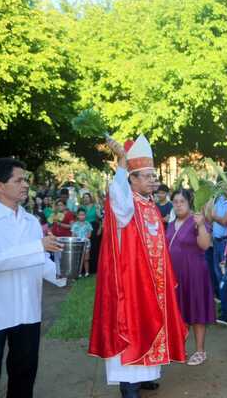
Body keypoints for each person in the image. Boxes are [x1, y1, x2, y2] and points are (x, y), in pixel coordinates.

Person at [88, 135, 188, 398]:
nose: (153, 180)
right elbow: (117, 195)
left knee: (153, 324)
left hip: (155, 282)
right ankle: (127, 383)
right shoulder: (126, 204)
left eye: (154, 176)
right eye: (146, 176)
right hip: (131, 282)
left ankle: (146, 376)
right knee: (133, 326)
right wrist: (121, 162)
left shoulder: (151, 205)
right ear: (131, 179)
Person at [0, 158, 65, 398]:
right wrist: (38, 246)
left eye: (26, 179)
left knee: (24, 373)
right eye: (19, 180)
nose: (25, 184)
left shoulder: (30, 221)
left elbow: (40, 263)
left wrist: (62, 275)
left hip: (27, 311)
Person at [166, 189, 214, 366]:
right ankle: (179, 347)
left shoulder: (197, 220)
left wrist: (201, 225)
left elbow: (205, 245)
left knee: (197, 311)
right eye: (175, 202)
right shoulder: (171, 224)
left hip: (194, 273)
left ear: (189, 203)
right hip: (175, 275)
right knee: (179, 311)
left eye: (182, 201)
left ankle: (200, 351)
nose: (178, 205)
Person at [210, 188, 227, 299]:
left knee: (226, 272)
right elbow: (208, 215)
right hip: (216, 240)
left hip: (226, 242)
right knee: (217, 271)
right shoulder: (218, 199)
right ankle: (223, 297)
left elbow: (225, 222)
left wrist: (214, 216)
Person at [71, 208, 93, 277]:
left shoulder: (88, 224)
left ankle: (87, 272)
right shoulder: (75, 225)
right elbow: (73, 234)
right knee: (78, 259)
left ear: (85, 215)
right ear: (77, 215)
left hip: (86, 243)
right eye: (80, 215)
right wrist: (76, 239)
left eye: (83, 215)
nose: (82, 216)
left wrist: (85, 238)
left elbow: (89, 234)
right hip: (78, 244)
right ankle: (79, 273)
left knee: (86, 259)